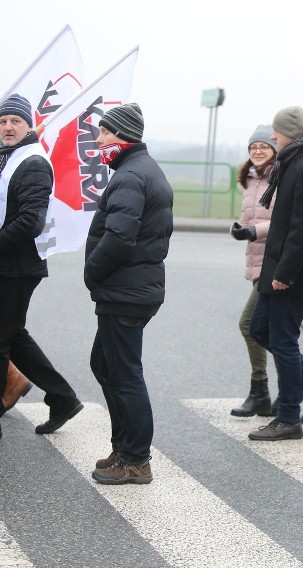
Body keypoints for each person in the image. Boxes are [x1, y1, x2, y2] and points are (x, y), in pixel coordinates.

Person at [86, 103, 173, 484]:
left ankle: (136, 459)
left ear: (124, 135)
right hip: (130, 289)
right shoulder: (138, 170)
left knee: (124, 374)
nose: (100, 140)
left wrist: (92, 270)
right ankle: (123, 447)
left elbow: (119, 237)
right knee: (105, 365)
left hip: (125, 290)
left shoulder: (130, 175)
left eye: (105, 133)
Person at [247, 106, 303, 441]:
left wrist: (285, 273)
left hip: (292, 272)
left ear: (289, 130)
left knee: (283, 341)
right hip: (279, 266)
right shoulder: (294, 161)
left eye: (276, 131)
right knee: (259, 329)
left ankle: (288, 417)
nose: (272, 137)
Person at [0, 93, 83, 440]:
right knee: (13, 335)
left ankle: (61, 398)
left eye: (15, 121)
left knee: (3, 339)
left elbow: (29, 222)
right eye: (3, 121)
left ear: (28, 125)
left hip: (17, 267)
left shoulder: (33, 163)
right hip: (9, 263)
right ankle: (63, 398)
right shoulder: (10, 157)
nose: (7, 127)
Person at [229, 125, 278, 417]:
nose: (257, 151)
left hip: (273, 263)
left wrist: (252, 231)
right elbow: (249, 217)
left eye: (263, 147)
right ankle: (268, 392)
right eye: (252, 147)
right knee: (264, 329)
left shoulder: (280, 178)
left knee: (249, 325)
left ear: (274, 150)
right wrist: (239, 228)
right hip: (257, 261)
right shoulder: (250, 179)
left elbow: (282, 222)